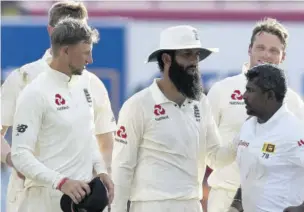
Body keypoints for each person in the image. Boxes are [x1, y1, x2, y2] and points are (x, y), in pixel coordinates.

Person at [1, 1, 116, 211]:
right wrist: (13, 160)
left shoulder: (87, 84)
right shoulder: (26, 82)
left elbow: (96, 140)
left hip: (80, 198)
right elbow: (20, 154)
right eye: (85, 51)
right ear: (63, 44)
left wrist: (102, 173)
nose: (91, 59)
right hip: (37, 194)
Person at [110, 25, 238, 212]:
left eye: (196, 55)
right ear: (166, 58)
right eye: (187, 54)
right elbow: (122, 167)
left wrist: (242, 138)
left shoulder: (200, 102)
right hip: (151, 206)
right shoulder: (137, 105)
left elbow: (215, 158)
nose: (194, 62)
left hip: (192, 204)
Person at [206, 17, 304, 212]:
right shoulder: (222, 91)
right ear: (249, 49)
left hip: (273, 199)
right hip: (224, 195)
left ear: (283, 56)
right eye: (260, 48)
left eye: (274, 51)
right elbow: (207, 154)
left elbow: (301, 159)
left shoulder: (294, 102)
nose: (266, 55)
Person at [228, 64, 304, 212]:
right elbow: (252, 173)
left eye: (251, 90)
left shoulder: (293, 129)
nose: (243, 95)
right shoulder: (248, 126)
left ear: (270, 95)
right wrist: (236, 204)